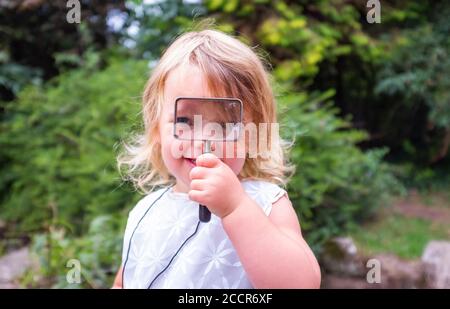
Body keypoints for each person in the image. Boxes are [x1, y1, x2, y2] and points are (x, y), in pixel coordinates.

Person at [112, 28, 321, 289]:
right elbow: (127, 280)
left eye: (224, 125)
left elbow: (300, 284)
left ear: (252, 136)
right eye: (184, 120)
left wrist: (235, 208)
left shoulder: (265, 202)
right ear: (156, 130)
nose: (202, 140)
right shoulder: (145, 211)